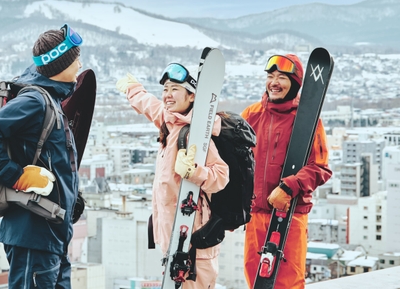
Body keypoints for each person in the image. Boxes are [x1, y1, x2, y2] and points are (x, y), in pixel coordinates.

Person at [0, 24, 83, 289]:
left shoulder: (52, 99)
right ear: (59, 65)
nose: (80, 64)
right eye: (75, 58)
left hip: (52, 233)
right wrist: (16, 176)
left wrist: (72, 198)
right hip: (33, 233)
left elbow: (54, 161)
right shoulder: (36, 101)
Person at [116, 63, 229, 289]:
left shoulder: (196, 133)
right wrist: (133, 89)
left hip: (195, 245)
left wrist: (194, 172)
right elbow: (149, 105)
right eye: (165, 89)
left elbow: (221, 175)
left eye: (175, 89)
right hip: (174, 239)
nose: (167, 94)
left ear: (192, 96)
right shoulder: (171, 122)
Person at [241, 54, 332, 289]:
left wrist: (289, 186)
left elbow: (320, 167)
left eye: (282, 77)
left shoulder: (307, 120)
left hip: (290, 214)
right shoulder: (251, 115)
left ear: (295, 83)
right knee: (255, 279)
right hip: (255, 214)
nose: (274, 82)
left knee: (288, 282)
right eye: (270, 76)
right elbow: (234, 158)